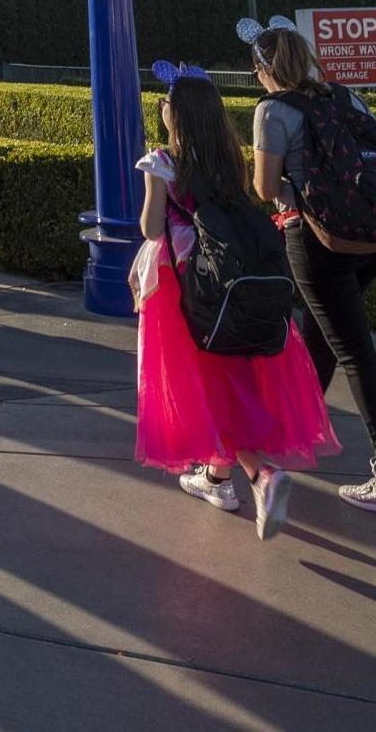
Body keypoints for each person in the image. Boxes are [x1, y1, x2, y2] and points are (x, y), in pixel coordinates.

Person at [136, 64, 338, 540]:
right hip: (234, 281)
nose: (162, 107)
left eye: (166, 101)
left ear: (177, 115)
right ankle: (217, 479)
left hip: (187, 286)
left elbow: (149, 228)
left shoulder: (164, 160)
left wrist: (156, 180)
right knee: (234, 374)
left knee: (208, 388)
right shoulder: (229, 160)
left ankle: (259, 475)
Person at [246, 21, 376, 517]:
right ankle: (292, 434)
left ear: (264, 70)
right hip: (370, 239)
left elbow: (264, 188)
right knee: (321, 339)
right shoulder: (345, 98)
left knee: (355, 354)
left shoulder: (273, 110)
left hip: (317, 240)